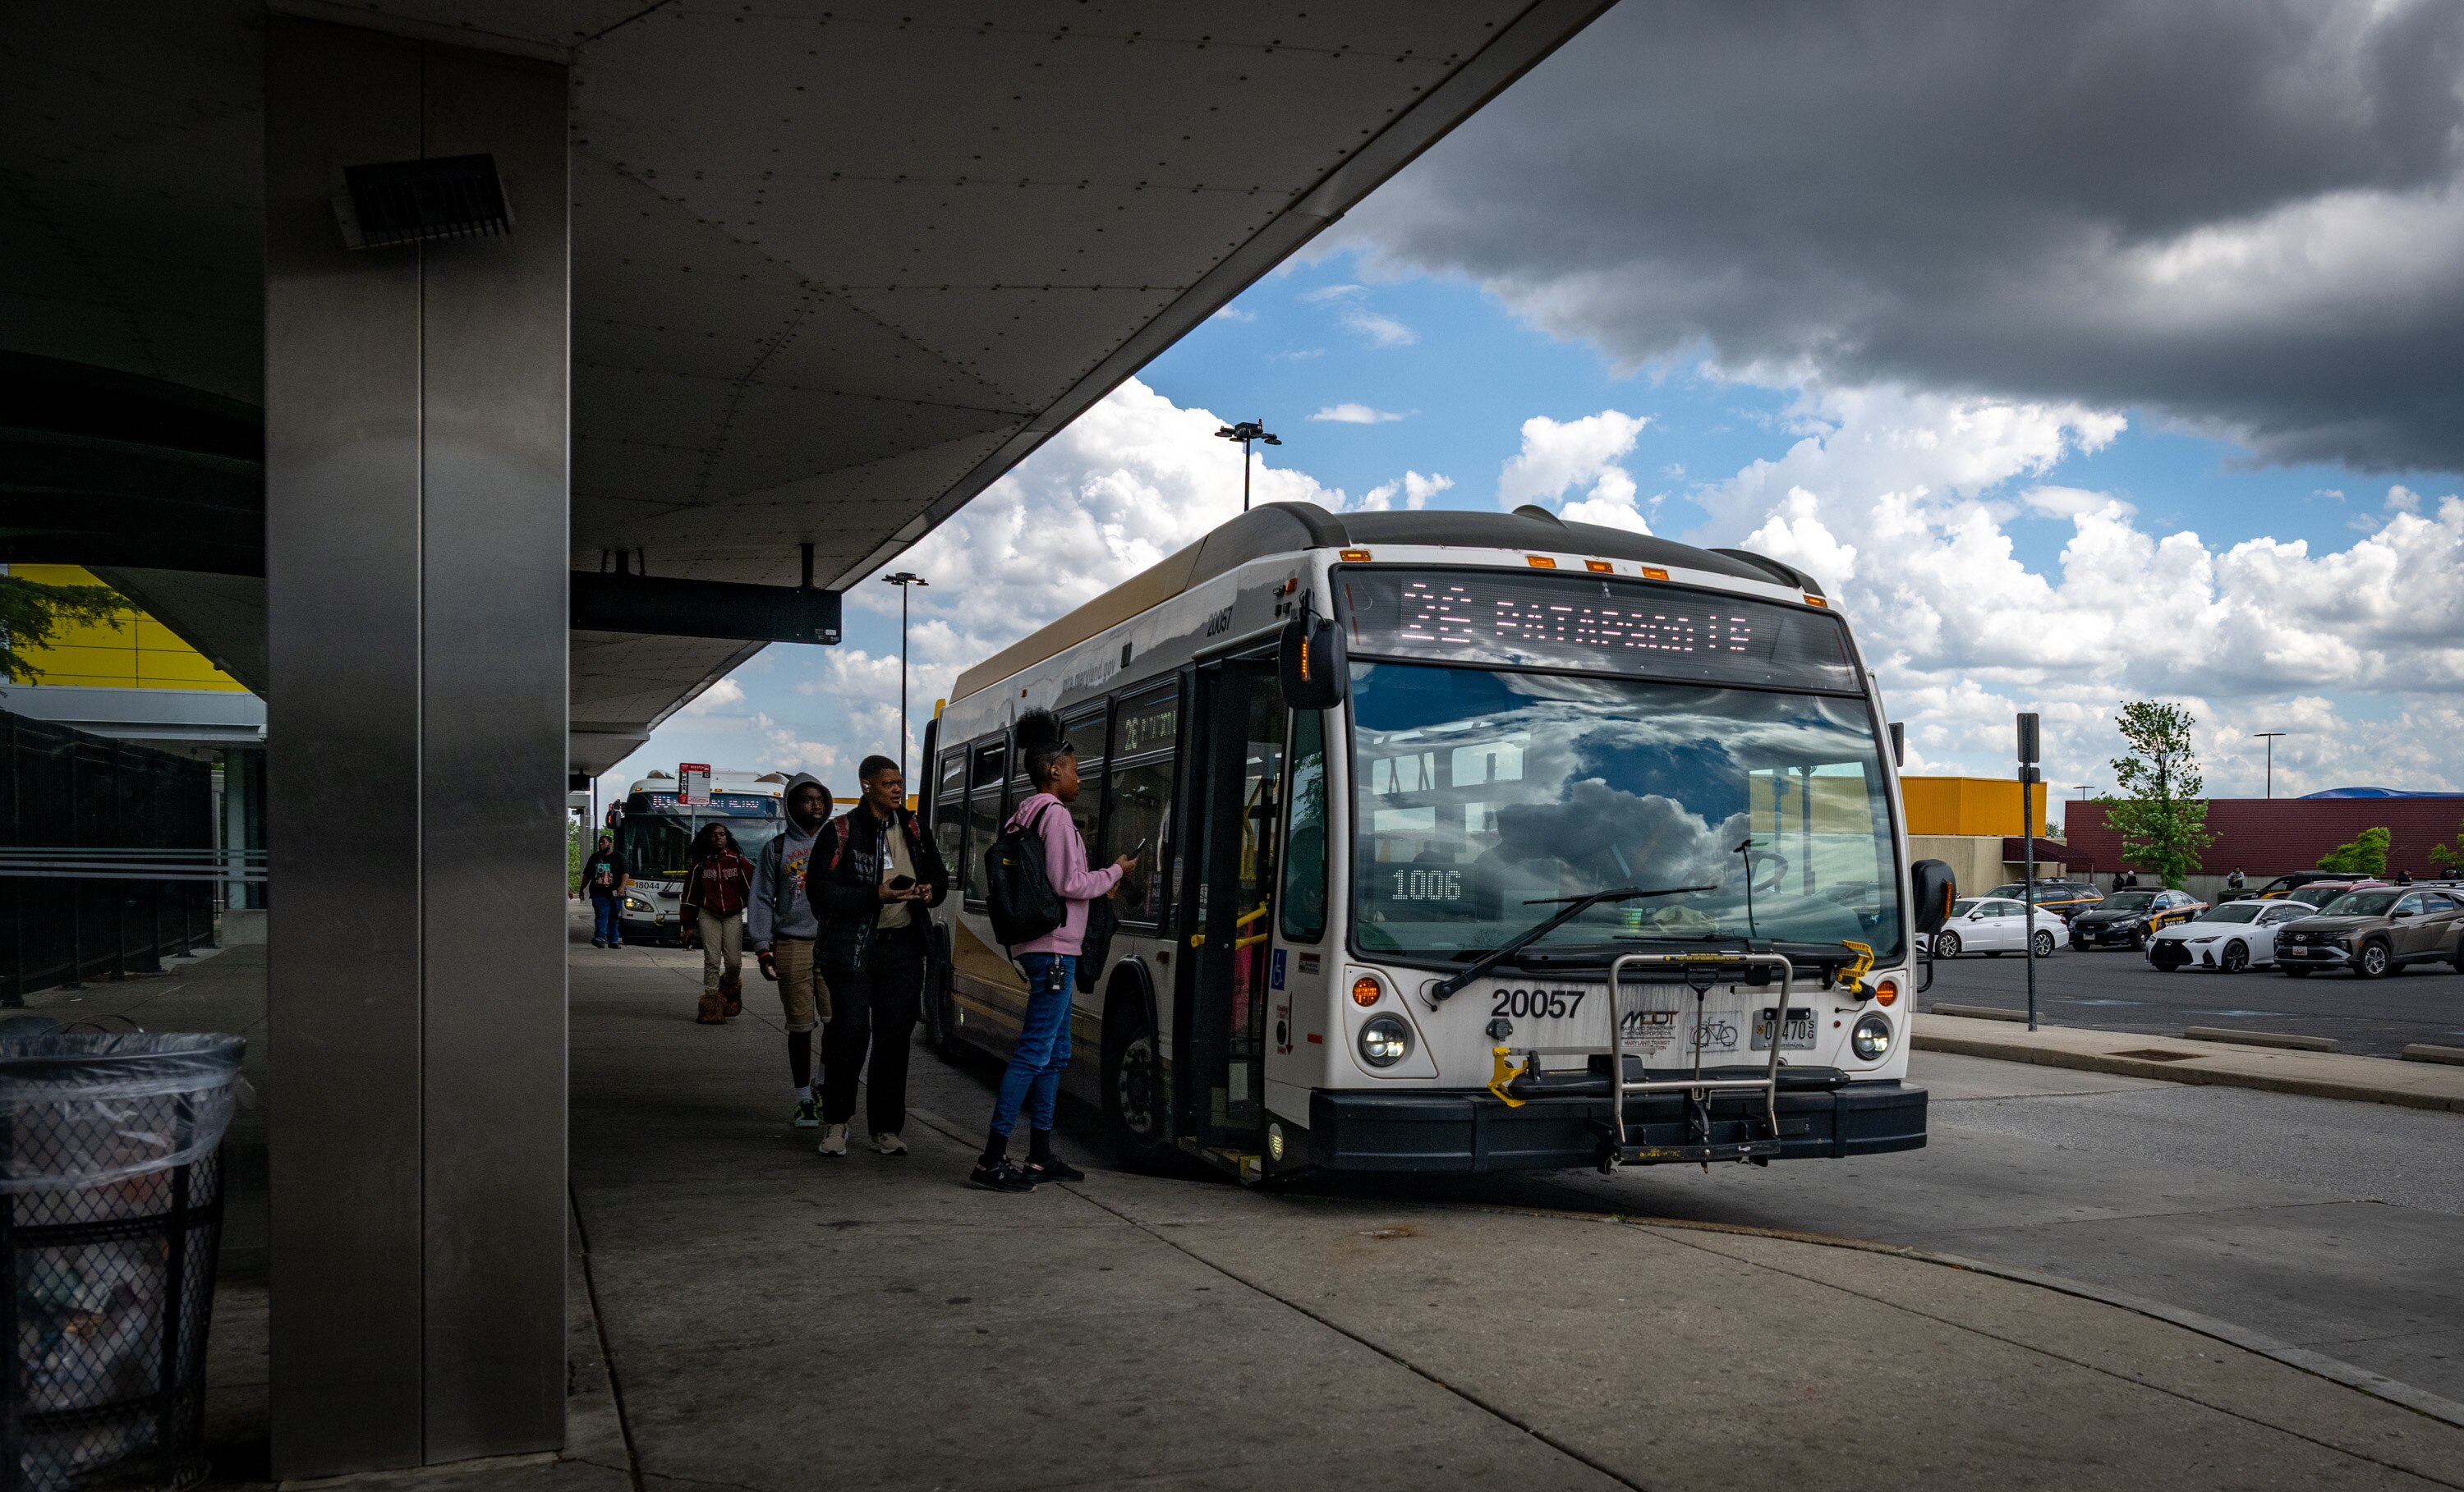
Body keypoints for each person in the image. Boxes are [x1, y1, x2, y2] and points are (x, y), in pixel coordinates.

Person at [971, 709, 1138, 1193]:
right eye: (1077, 769)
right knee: (1034, 1053)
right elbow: (1069, 883)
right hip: (1054, 950)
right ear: (1054, 770)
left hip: (1040, 946)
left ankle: (1041, 1155)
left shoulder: (1022, 813)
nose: (1080, 778)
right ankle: (992, 1157)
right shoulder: (1057, 816)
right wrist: (1116, 873)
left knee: (1055, 1052)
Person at [807, 755, 949, 1158]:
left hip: (902, 947)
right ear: (866, 785)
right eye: (888, 783)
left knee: (894, 1039)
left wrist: (929, 891)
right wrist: (874, 896)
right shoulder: (841, 830)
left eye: (899, 783)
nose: (896, 789)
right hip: (853, 950)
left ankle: (885, 1129)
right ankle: (836, 1123)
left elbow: (939, 875)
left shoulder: (913, 827)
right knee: (849, 1035)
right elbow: (819, 891)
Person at [748, 774, 834, 1127]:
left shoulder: (839, 843)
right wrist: (763, 947)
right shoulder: (777, 849)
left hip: (834, 945)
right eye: (806, 799)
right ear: (790, 806)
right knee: (800, 1027)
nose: (815, 805)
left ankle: (824, 1085)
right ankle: (803, 1100)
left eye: (819, 799)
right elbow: (762, 900)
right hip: (792, 945)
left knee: (838, 1023)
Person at [680, 822, 755, 1025]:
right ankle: (711, 1006)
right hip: (708, 914)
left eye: (722, 834)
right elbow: (689, 895)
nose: (718, 838)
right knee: (712, 959)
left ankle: (729, 989)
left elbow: (753, 891)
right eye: (714, 835)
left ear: (727, 837)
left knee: (733, 963)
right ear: (707, 838)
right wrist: (687, 926)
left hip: (733, 915)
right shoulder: (700, 865)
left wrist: (757, 915)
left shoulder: (738, 861)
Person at [580, 833, 628, 948]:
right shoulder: (595, 858)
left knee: (614, 917)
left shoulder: (619, 857)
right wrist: (582, 888)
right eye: (599, 843)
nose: (601, 844)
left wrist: (622, 886)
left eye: (604, 842)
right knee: (602, 915)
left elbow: (625, 873)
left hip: (615, 892)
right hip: (599, 892)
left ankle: (613, 940)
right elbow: (587, 875)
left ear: (610, 844)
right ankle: (600, 938)